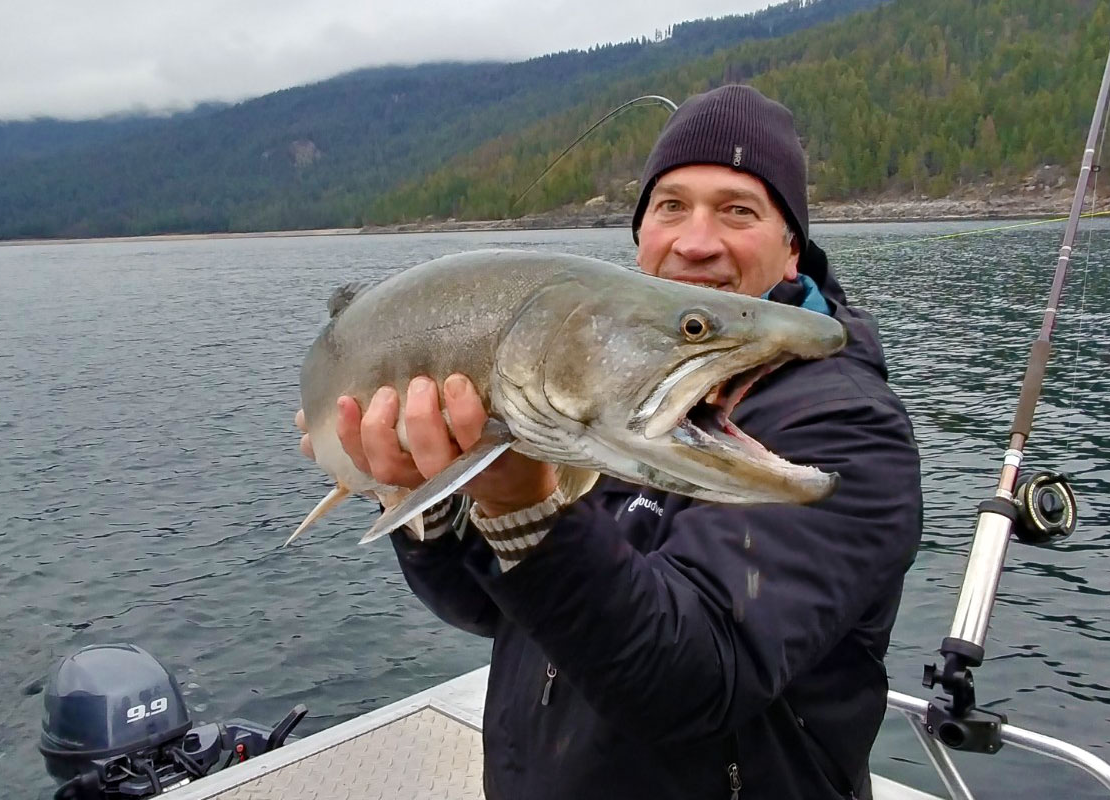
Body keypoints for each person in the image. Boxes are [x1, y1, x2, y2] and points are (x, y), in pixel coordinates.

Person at [297, 84, 922, 799]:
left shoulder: (847, 431)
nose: (695, 239)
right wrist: (426, 498)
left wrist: (523, 506)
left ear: (792, 251)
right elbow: (497, 611)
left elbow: (695, 678)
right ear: (641, 235)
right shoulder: (601, 402)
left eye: (738, 210)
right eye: (671, 206)